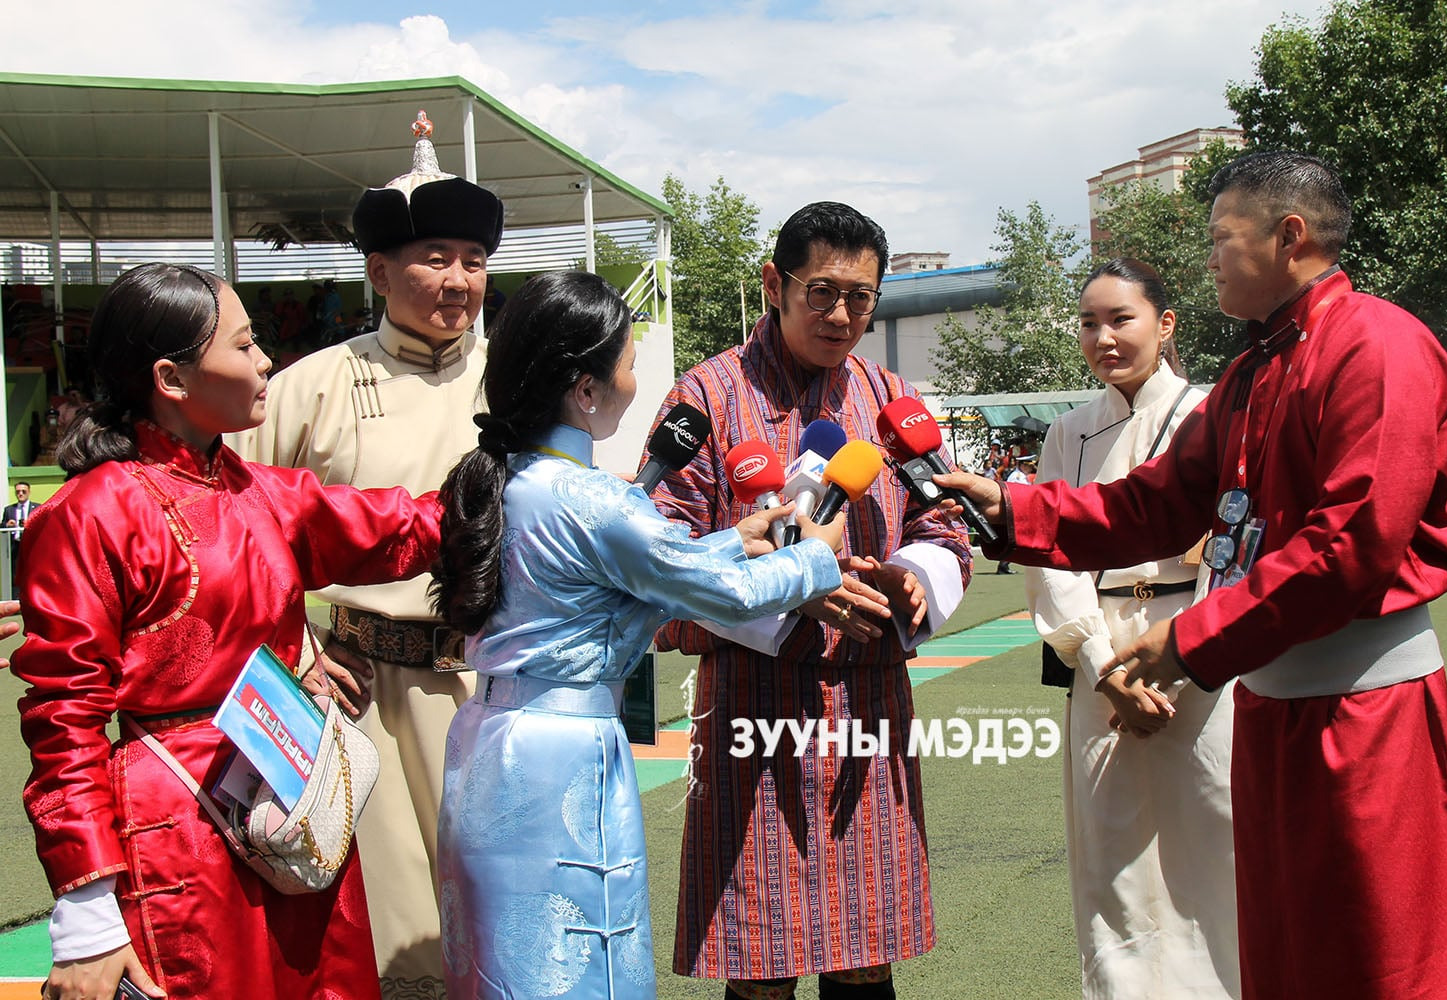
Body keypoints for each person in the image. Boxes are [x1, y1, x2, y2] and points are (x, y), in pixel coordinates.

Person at [934, 151, 1447, 1000]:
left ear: (1289, 237)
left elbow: (1355, 542)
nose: (1209, 261)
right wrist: (1017, 512)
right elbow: (1157, 503)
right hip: (1268, 700)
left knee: (1382, 948)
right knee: (1278, 945)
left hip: (1361, 708)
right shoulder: (1252, 371)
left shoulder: (1377, 344)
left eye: (1221, 239)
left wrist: (1191, 637)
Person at [12, 262, 444, 1000]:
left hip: (292, 802)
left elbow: (407, 525)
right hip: (182, 831)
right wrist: (87, 913)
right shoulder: (89, 513)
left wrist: (525, 467)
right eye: (244, 347)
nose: (265, 361)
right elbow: (64, 720)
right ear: (171, 379)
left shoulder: (260, 492)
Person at [432, 270, 846, 1000]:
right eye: (626, 365)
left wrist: (729, 537)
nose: (633, 383)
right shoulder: (594, 500)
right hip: (562, 754)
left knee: (499, 969)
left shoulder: (504, 477)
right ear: (584, 388)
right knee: (583, 960)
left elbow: (635, 574)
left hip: (486, 742)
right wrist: (816, 555)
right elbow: (723, 592)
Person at [650, 201, 973, 1000]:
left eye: (860, 297)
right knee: (762, 963)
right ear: (774, 283)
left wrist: (916, 581)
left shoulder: (890, 394)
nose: (841, 315)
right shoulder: (707, 396)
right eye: (821, 291)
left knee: (867, 958)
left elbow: (947, 527)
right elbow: (659, 565)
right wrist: (793, 599)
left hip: (870, 702)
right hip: (751, 709)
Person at [226, 110, 502, 998]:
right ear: (380, 270)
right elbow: (239, 534)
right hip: (359, 697)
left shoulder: (522, 380)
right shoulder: (306, 386)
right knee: (394, 942)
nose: (457, 280)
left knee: (503, 919)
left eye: (473, 258)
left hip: (495, 687)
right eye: (434, 257)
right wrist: (301, 654)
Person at [1028, 257, 1236, 997]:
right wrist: (1104, 667)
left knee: (1215, 851)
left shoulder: (1215, 414)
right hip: (1100, 659)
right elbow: (1050, 557)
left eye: (1121, 319)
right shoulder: (1068, 433)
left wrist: (1191, 649)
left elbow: (1239, 543)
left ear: (1165, 323)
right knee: (1112, 860)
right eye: (1089, 323)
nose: (1104, 337)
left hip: (1201, 652)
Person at [4, 479, 34, 575]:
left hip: (31, 545)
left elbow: (44, 526)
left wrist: (30, 524)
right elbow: (2, 526)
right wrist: (7, 525)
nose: (20, 494)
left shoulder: (37, 507)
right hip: (15, 547)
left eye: (23, 491)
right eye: (18, 492)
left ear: (29, 492)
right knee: (15, 573)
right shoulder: (9, 509)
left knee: (31, 571)